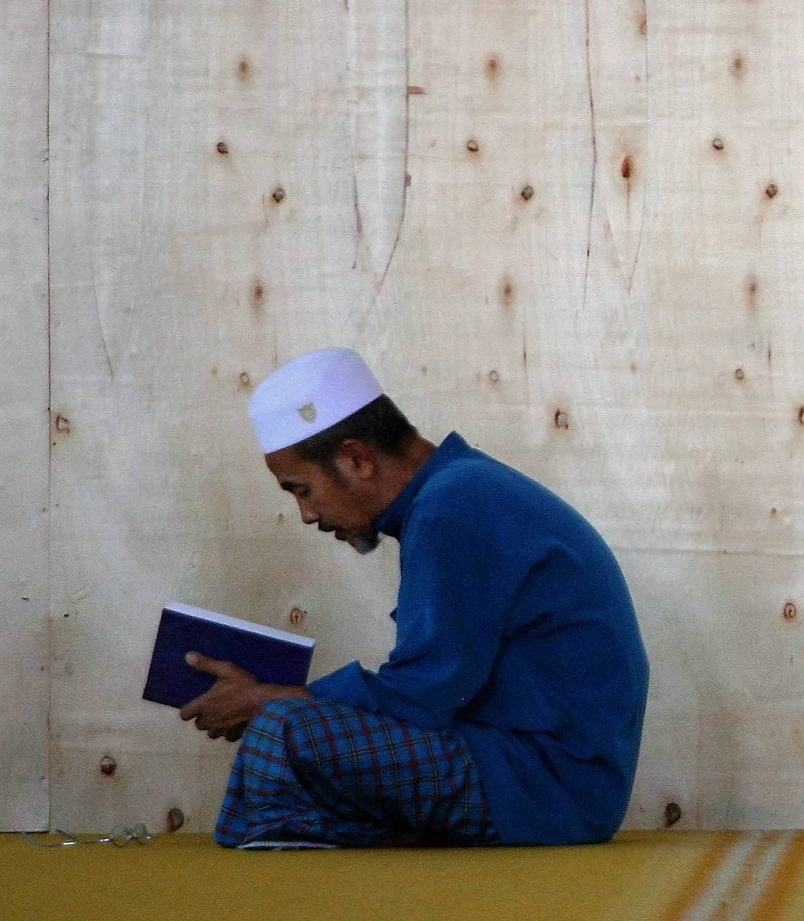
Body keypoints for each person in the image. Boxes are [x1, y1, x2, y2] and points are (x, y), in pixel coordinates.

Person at [178, 346, 650, 848]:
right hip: (521, 767)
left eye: (303, 490)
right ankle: (330, 834)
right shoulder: (458, 492)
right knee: (287, 723)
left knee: (284, 730)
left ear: (357, 459)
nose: (307, 516)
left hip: (545, 785)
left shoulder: (452, 507)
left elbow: (420, 696)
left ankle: (305, 845)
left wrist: (268, 699)